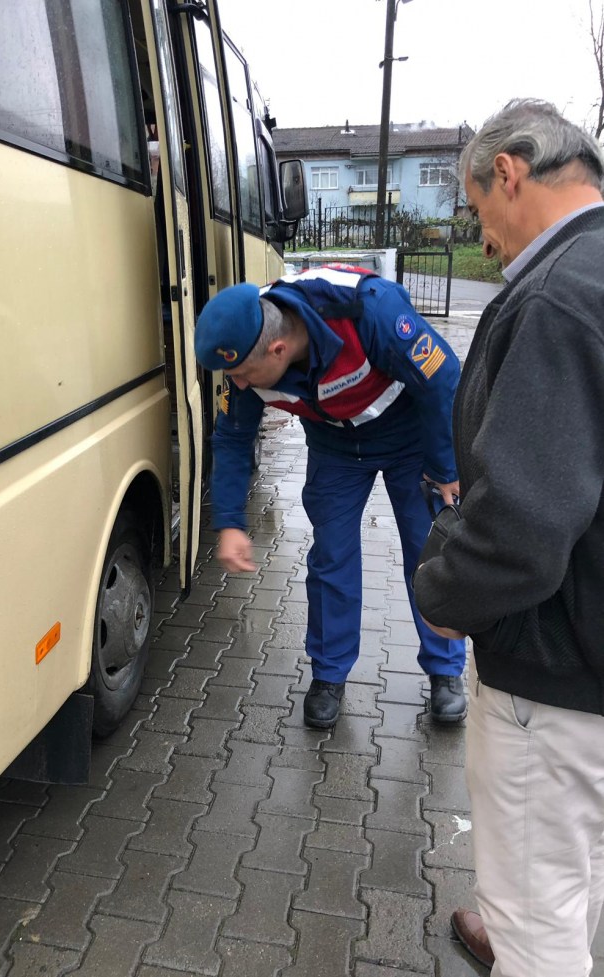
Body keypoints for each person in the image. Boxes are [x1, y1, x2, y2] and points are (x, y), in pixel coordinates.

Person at [413, 98, 604, 977]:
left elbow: (520, 526)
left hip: (552, 667)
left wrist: (443, 593)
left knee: (532, 919)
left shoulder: (557, 296)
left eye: (474, 207)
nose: (480, 235)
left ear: (509, 172)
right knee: (576, 861)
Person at [194, 264, 468, 729]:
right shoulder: (247, 350)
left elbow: (442, 378)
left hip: (409, 441)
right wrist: (230, 521)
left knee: (429, 553)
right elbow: (233, 437)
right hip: (336, 449)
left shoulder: (368, 310)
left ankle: (445, 670)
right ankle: (329, 675)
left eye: (241, 375)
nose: (237, 384)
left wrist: (446, 468)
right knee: (331, 560)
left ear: (278, 349)